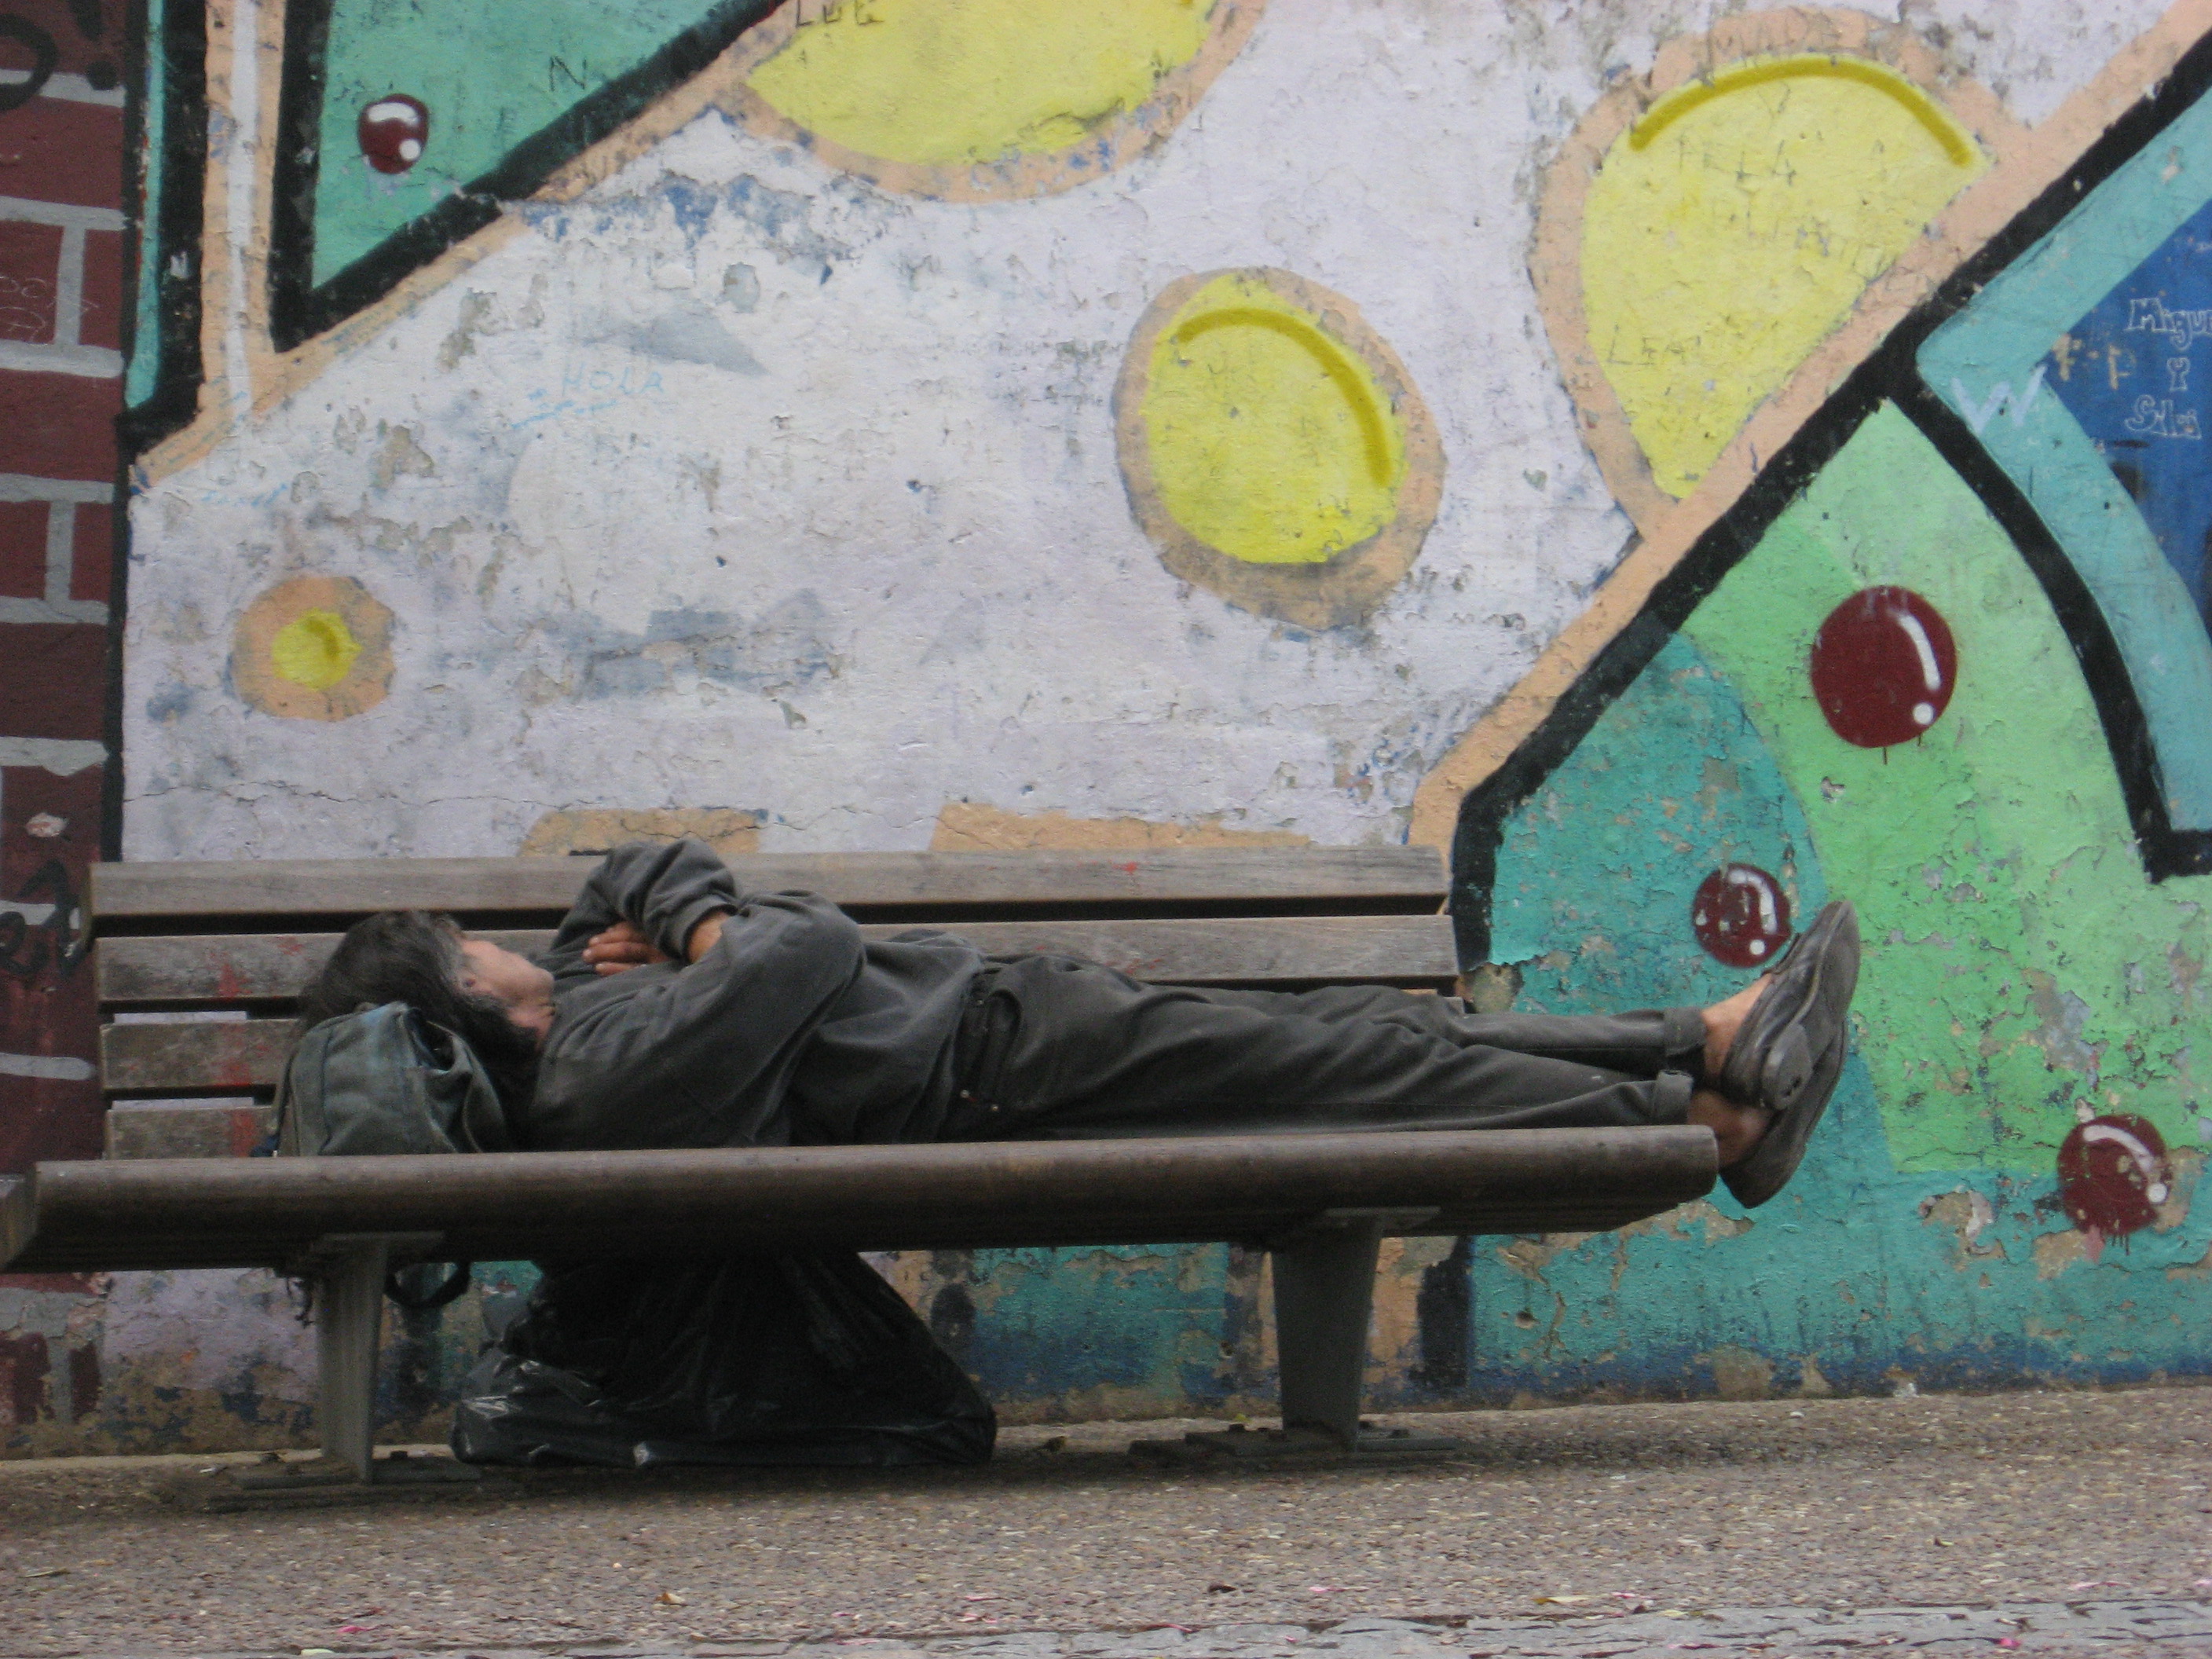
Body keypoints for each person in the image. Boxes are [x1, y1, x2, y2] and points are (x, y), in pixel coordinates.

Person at [296, 837, 1859, 1207]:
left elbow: (625, 880)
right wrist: (705, 928)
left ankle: (1706, 1053)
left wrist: (671, 921)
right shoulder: (603, 1063)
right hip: (1008, 1063)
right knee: (1368, 1064)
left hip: (1011, 1040)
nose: (515, 943)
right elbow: (801, 941)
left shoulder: (585, 1016)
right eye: (474, 947)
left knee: (1360, 1040)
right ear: (466, 996)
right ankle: (1705, 1112)